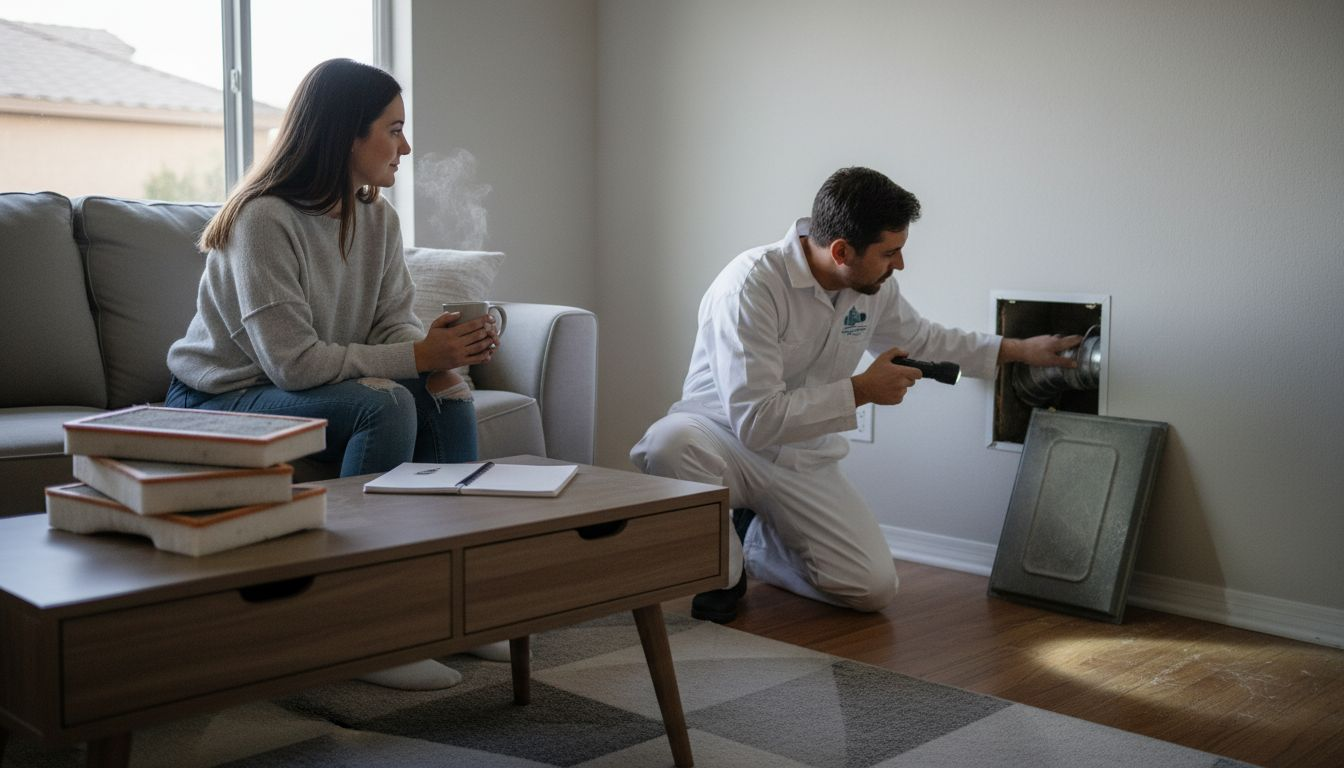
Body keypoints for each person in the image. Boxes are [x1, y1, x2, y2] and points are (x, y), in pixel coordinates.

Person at [166, 58, 501, 689]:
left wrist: (437, 354)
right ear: (347, 133)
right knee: (386, 404)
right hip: (220, 394)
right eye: (393, 128)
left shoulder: (378, 218)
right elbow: (291, 363)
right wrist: (413, 361)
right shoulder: (262, 219)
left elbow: (389, 324)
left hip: (296, 384)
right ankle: (359, 629)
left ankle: (460, 609)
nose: (406, 146)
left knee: (449, 400)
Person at [630, 166, 1082, 623]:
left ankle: (755, 543)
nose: (899, 264)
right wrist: (862, 390)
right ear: (842, 250)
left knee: (872, 590)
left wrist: (1020, 349)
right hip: (723, 441)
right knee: (667, 442)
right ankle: (720, 575)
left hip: (805, 455)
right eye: (891, 252)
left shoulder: (872, 286)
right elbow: (756, 419)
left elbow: (921, 339)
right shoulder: (750, 286)